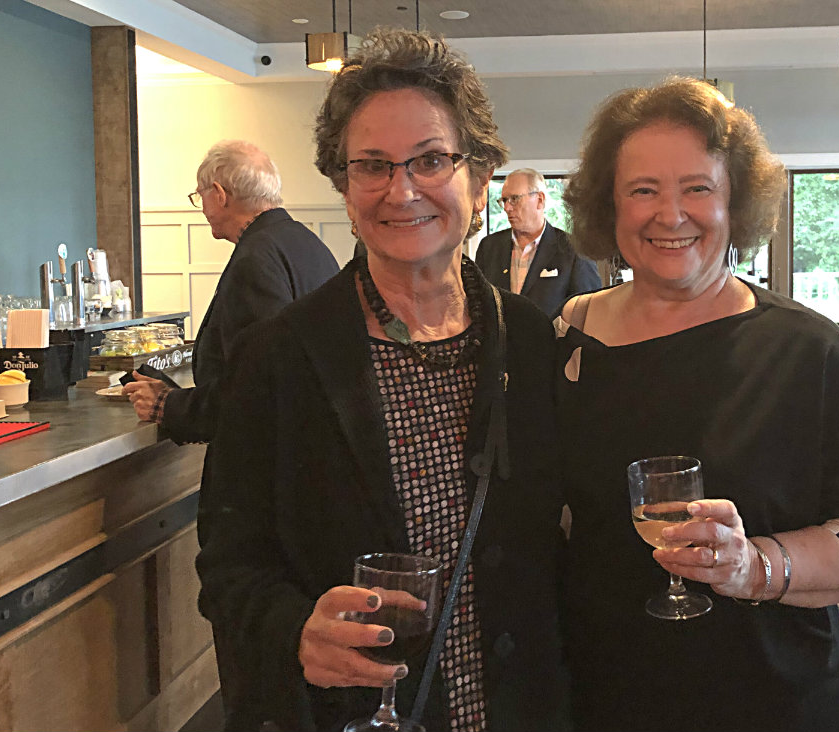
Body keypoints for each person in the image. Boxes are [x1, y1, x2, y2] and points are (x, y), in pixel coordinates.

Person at [195, 29, 568, 732]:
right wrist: (295, 630)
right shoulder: (278, 357)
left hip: (516, 707)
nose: (402, 190)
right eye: (372, 166)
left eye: (430, 160)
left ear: (479, 178)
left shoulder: (528, 340)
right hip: (350, 713)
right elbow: (229, 562)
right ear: (344, 186)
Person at [555, 77, 839, 732]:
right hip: (601, 688)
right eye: (643, 190)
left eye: (698, 188)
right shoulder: (567, 340)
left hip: (767, 693)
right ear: (609, 204)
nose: (671, 215)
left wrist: (755, 566)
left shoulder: (807, 350)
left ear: (736, 202)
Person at [121, 140, 338, 442]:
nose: (202, 209)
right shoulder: (307, 242)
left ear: (219, 194)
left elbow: (255, 392)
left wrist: (167, 405)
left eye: (200, 196)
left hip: (269, 458)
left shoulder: (255, 261)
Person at [474, 168, 600, 318]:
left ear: (540, 200)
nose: (507, 208)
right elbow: (478, 305)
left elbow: (588, 313)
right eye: (504, 200)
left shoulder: (573, 249)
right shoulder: (489, 247)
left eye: (514, 199)